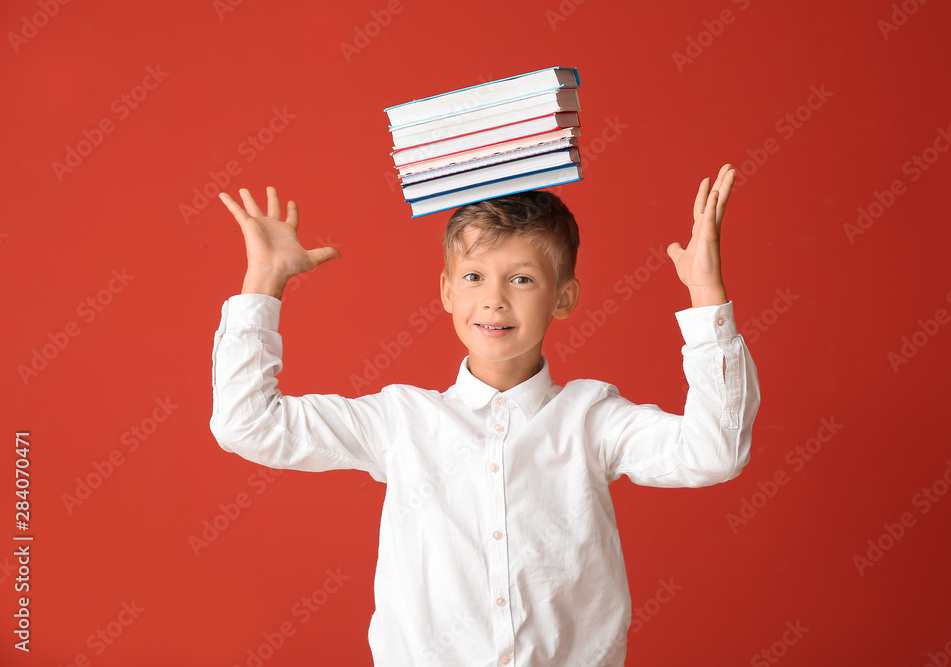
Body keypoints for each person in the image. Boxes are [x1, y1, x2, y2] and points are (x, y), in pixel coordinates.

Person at [210, 163, 760, 666]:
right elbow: (248, 425)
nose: (494, 299)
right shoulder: (402, 420)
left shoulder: (591, 417)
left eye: (521, 279)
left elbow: (713, 454)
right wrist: (265, 283)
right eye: (474, 277)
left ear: (563, 298)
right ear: (447, 291)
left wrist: (706, 297)